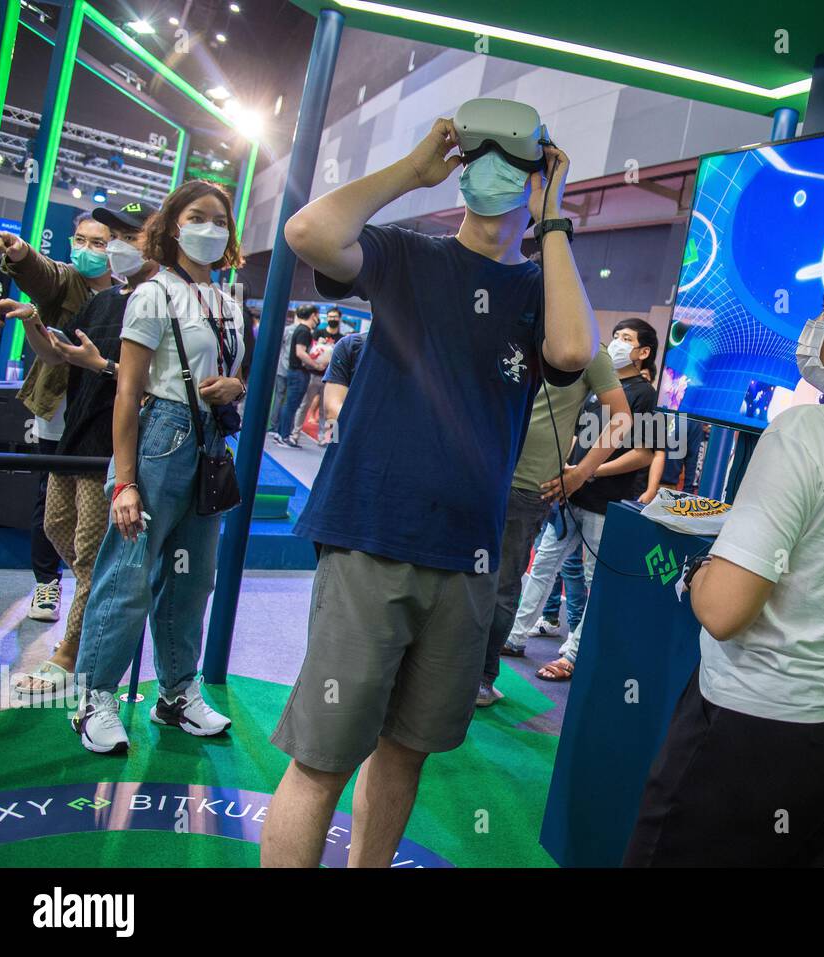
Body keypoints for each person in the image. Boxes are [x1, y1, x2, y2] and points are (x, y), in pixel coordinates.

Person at [261, 108, 596, 868]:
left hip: (468, 559)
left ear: (538, 170)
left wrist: (553, 220)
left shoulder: (538, 290)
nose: (487, 164)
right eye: (476, 150)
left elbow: (574, 349)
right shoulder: (407, 257)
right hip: (373, 536)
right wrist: (414, 171)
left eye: (508, 155)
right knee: (321, 758)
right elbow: (308, 233)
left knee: (406, 751)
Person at [623, 259, 824, 867]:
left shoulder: (806, 431)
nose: (813, 324)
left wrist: (698, 575)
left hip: (749, 732)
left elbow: (724, 611)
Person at [71, 180, 247, 754]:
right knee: (127, 576)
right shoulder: (154, 294)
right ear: (173, 225)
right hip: (162, 440)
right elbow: (127, 393)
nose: (210, 228)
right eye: (198, 216)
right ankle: (95, 697)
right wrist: (124, 481)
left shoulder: (226, 300)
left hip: (211, 443)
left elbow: (224, 366)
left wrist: (235, 385)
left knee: (193, 580)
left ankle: (176, 694)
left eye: (220, 219)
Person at [0, 201, 160, 701]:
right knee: (56, 528)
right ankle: (104, 604)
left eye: (124, 236)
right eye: (106, 235)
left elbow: (156, 385)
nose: (112, 245)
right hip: (74, 436)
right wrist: (29, 321)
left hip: (108, 449)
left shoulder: (162, 301)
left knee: (92, 553)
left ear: (152, 241)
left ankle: (69, 651)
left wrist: (103, 368)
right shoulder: (105, 300)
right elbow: (61, 353)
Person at [502, 318, 662, 681]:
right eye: (616, 336)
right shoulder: (594, 383)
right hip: (569, 492)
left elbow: (645, 453)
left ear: (643, 352)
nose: (618, 343)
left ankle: (574, 654)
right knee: (542, 565)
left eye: (627, 339)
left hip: (607, 502)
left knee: (594, 579)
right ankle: (513, 636)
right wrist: (566, 469)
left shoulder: (645, 394)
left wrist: (587, 471)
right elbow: (576, 435)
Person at [478, 340, 628, 706]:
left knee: (502, 584)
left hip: (529, 485)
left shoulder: (588, 347)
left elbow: (621, 418)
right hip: (474, 471)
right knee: (449, 572)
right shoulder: (506, 323)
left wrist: (581, 474)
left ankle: (481, 676)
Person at [0, 214, 115, 622]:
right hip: (58, 410)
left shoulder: (132, 293)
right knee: (51, 501)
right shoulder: (66, 280)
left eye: (98, 243)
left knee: (96, 501)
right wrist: (19, 251)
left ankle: (91, 584)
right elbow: (41, 273)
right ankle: (47, 583)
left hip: (104, 412)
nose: (86, 249)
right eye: (80, 239)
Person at [272, 304, 325, 447]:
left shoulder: (300, 329)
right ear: (313, 315)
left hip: (295, 372)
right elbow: (300, 352)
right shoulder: (304, 331)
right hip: (299, 373)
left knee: (289, 404)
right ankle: (284, 436)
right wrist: (317, 365)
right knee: (291, 405)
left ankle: (281, 433)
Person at [319, 329, 366, 441]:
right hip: (353, 441)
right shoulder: (352, 345)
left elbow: (332, 411)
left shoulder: (351, 344)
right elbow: (332, 410)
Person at [266, 310, 299, 431]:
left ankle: (274, 425)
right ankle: (283, 428)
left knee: (279, 398)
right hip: (294, 369)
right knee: (290, 400)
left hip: (282, 368)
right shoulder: (304, 331)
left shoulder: (287, 330)